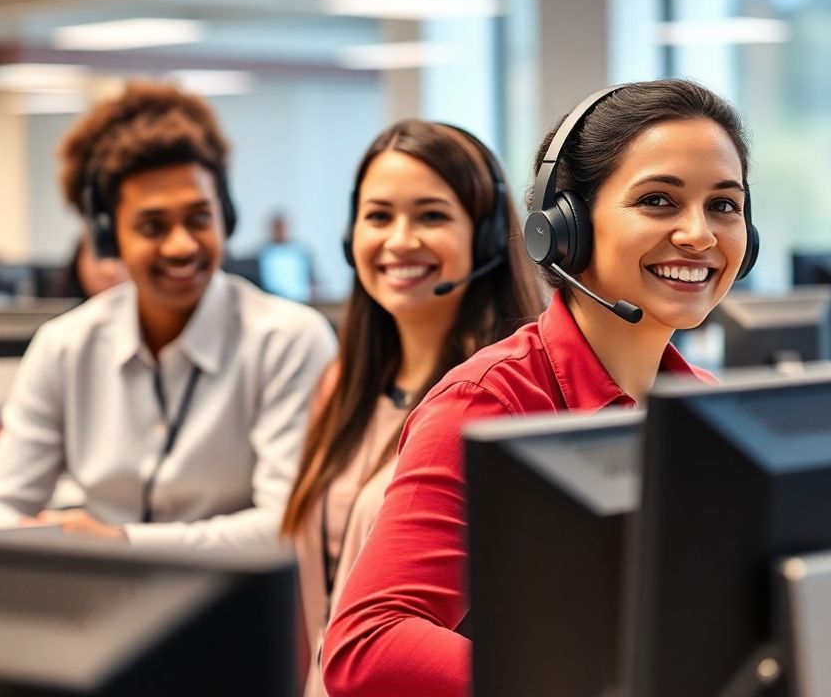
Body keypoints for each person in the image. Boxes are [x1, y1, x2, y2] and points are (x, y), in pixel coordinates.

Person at [321, 79, 758, 696]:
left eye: (724, 205)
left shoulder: (709, 407)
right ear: (564, 228)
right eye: (658, 200)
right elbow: (368, 643)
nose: (699, 234)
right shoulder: (489, 402)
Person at [0, 81, 337, 549]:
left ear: (225, 217)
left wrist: (121, 543)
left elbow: (287, 528)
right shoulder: (66, 346)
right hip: (97, 592)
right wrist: (45, 539)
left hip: (237, 594)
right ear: (108, 238)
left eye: (199, 218)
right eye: (152, 226)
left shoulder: (288, 341)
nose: (181, 245)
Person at [280, 120, 541, 697]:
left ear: (487, 237)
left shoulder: (498, 402)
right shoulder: (342, 386)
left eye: (431, 216)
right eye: (378, 216)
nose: (400, 241)